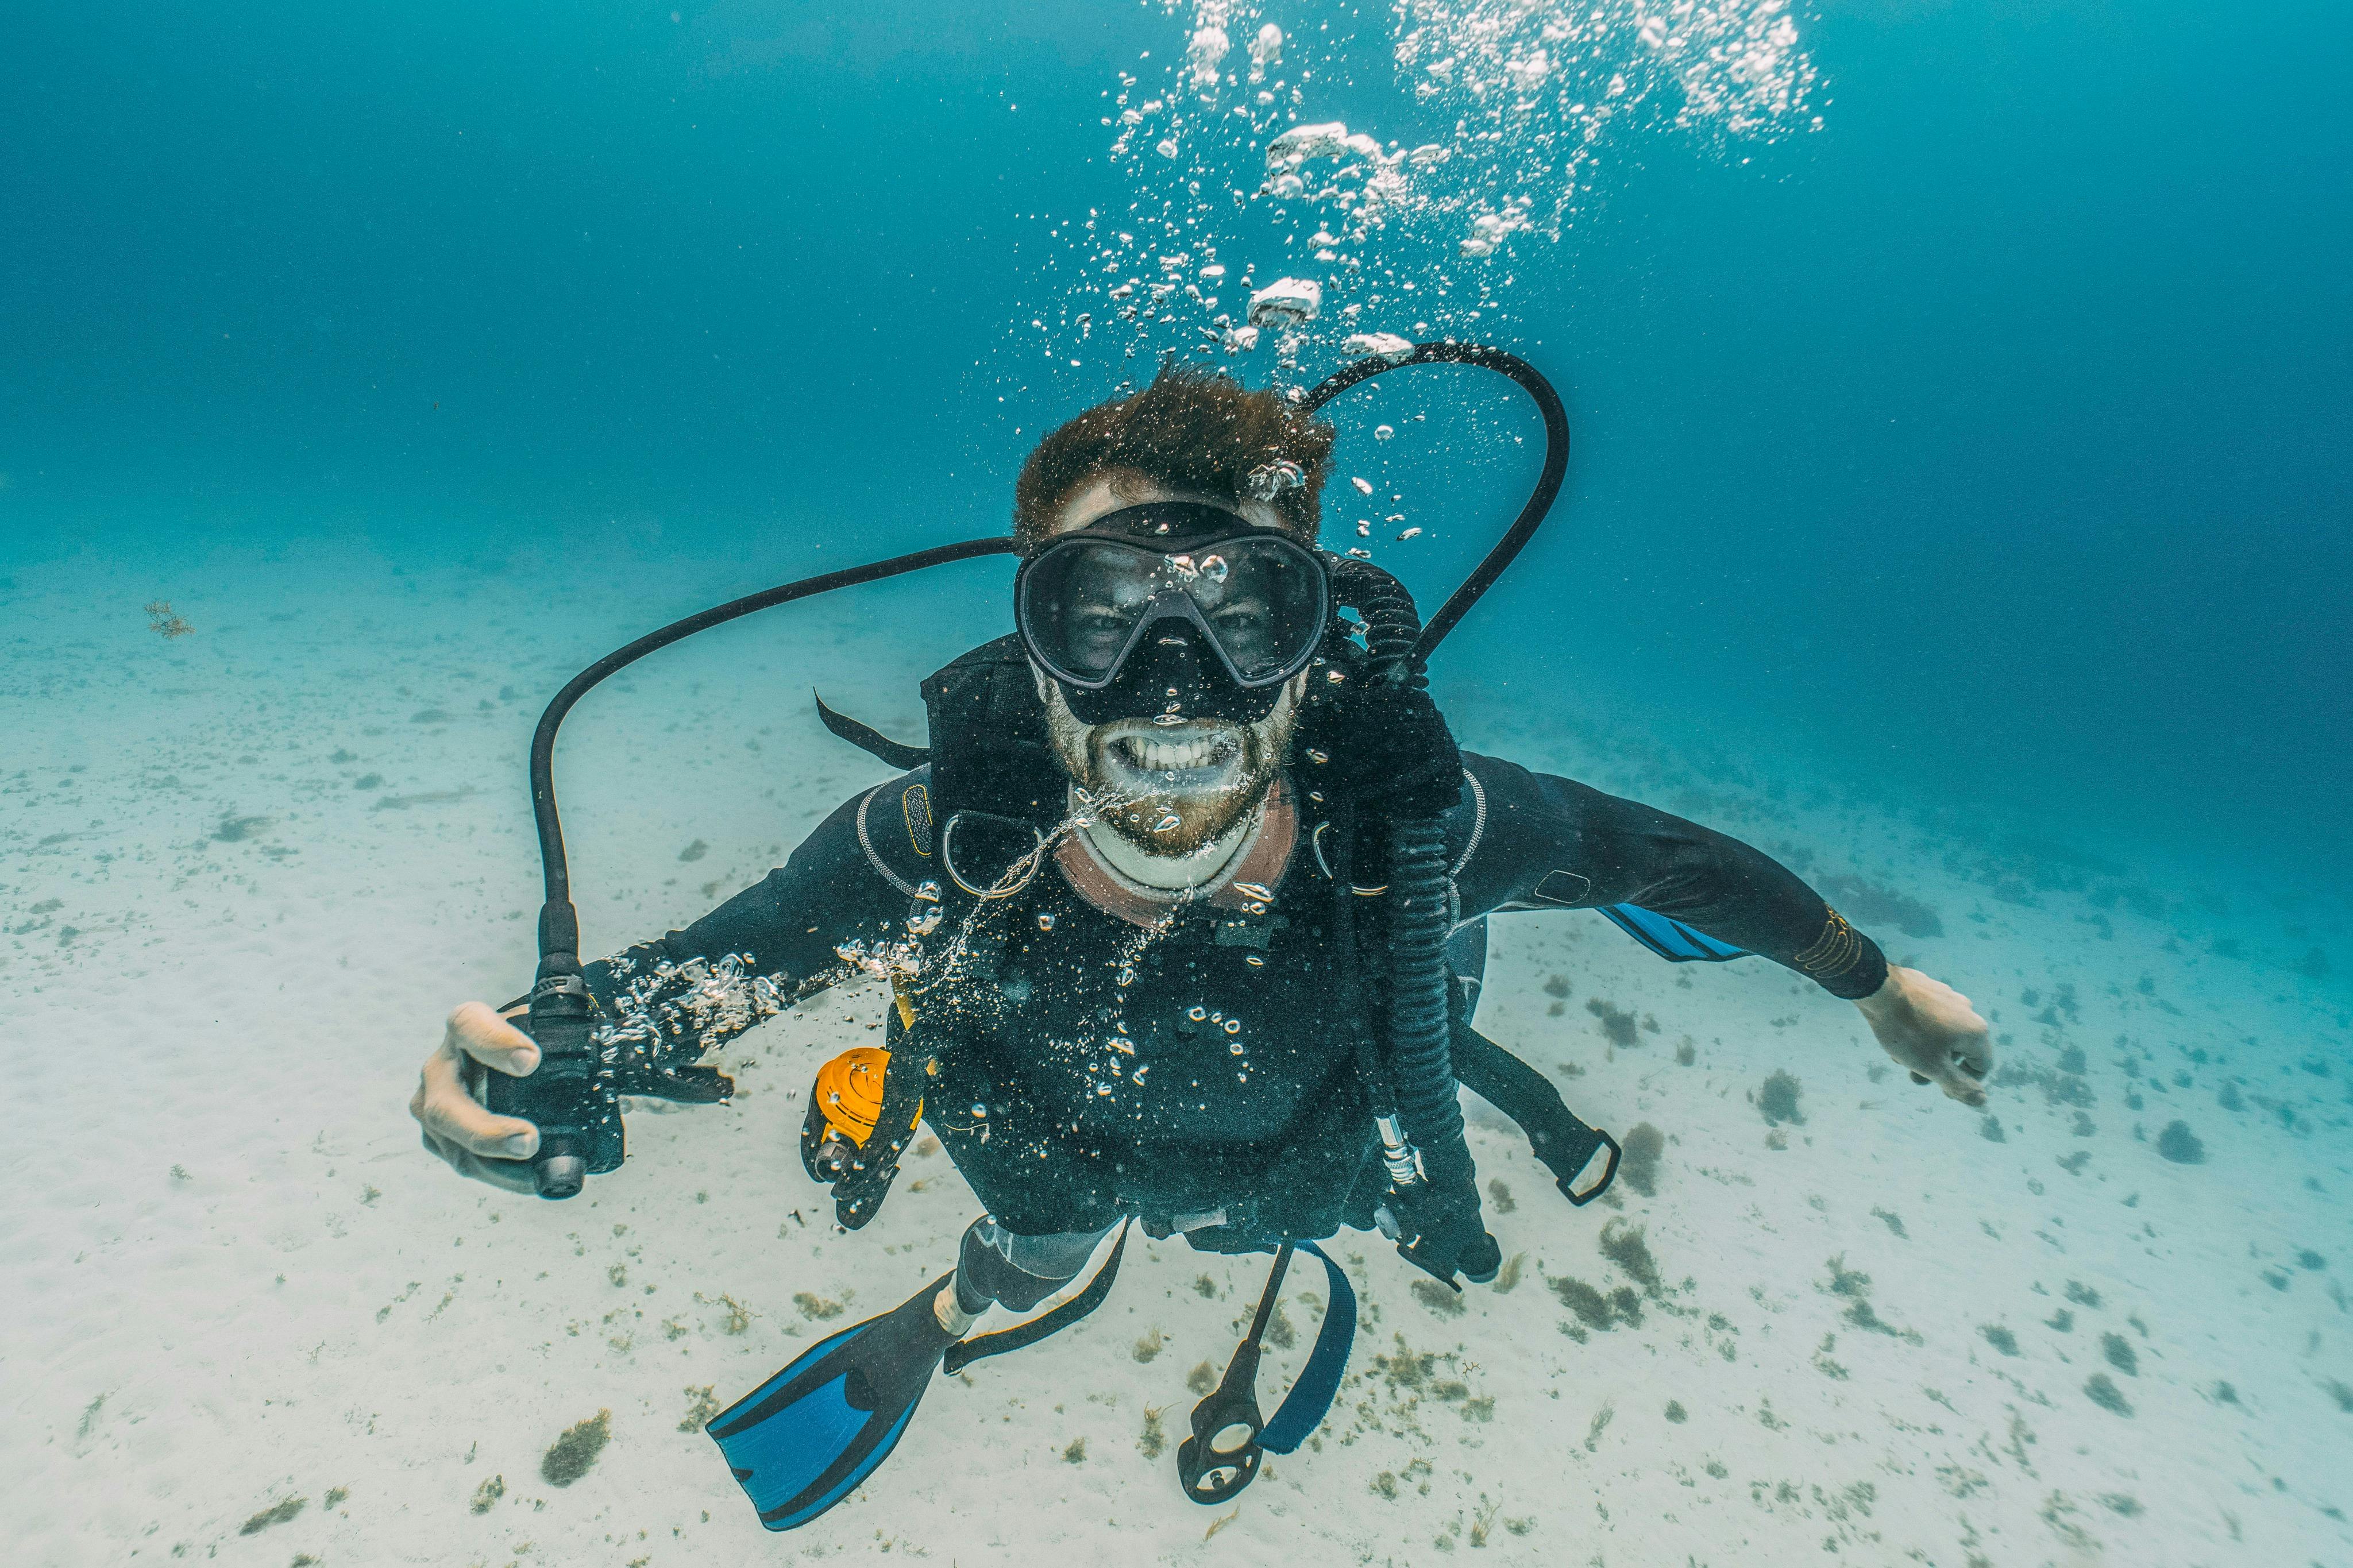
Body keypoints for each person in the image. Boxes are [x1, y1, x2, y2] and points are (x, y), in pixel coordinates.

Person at [410, 363, 1992, 1525]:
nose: (1175, 682)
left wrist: (1873, 980)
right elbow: (722, 966)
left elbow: (1672, 860)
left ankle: (1067, 1269)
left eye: (1245, 610)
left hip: (1311, 1156)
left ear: (1317, 639)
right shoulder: (926, 848)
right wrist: (554, 1046)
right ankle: (1001, 1283)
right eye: (1103, 615)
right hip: (1050, 1150)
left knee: (1308, 1185)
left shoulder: (1417, 832)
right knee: (1037, 1229)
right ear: (1033, 642)